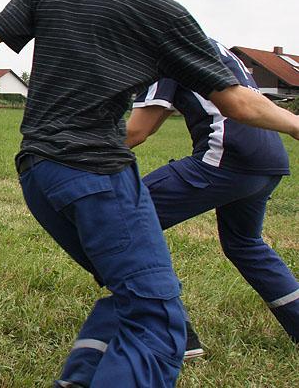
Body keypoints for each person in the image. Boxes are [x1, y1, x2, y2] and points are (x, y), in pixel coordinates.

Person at [0, 0, 299, 387]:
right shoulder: (161, 10)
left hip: (37, 175)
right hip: (98, 176)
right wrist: (295, 124)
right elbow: (236, 101)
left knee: (129, 296)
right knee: (157, 325)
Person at [127, 39, 297, 351]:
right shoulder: (210, 46)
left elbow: (139, 130)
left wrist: (71, 150)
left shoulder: (163, 46)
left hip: (225, 157)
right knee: (245, 244)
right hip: (267, 157)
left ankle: (173, 332)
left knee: (124, 220)